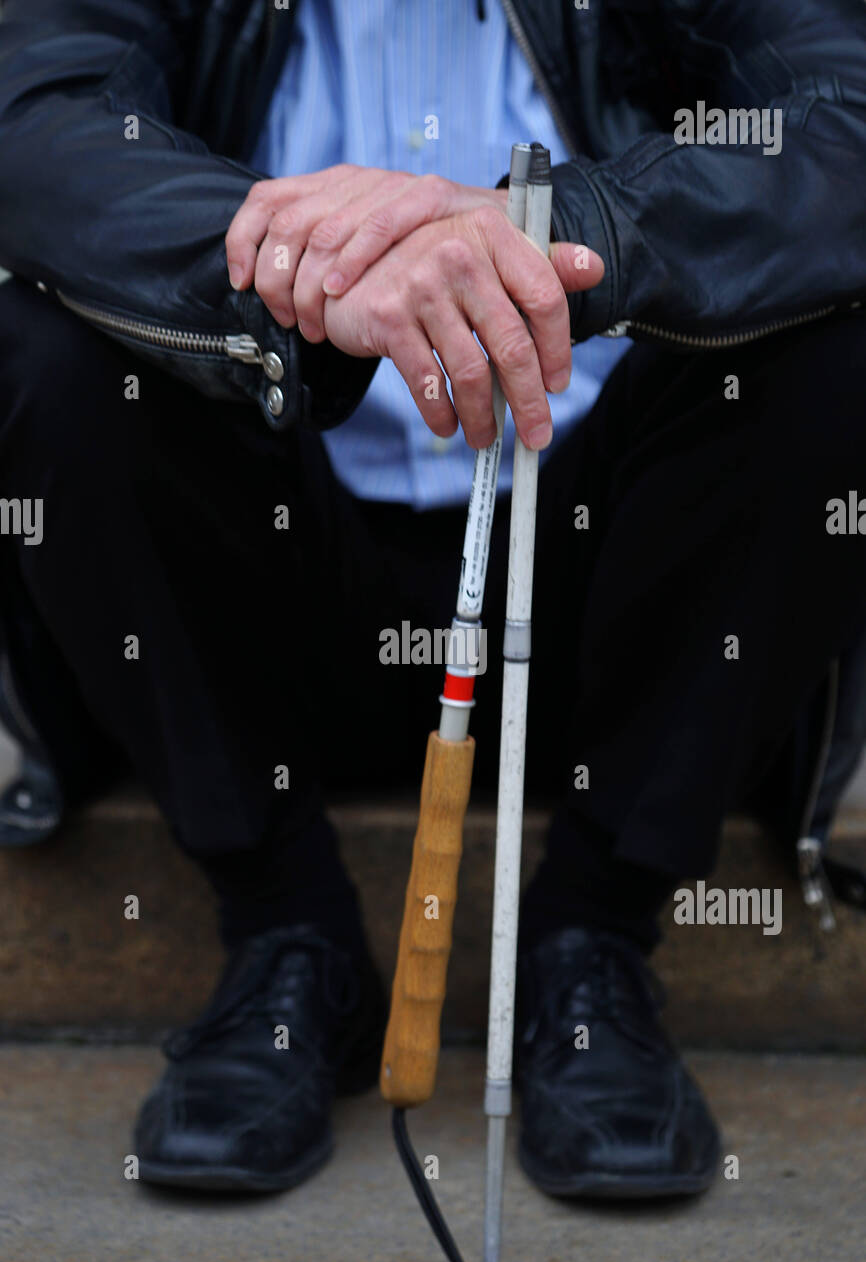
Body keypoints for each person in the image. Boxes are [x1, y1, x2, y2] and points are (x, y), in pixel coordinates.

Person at [1, 0, 865, 1200]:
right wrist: (277, 258)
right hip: (266, 584)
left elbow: (842, 119)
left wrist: (559, 230)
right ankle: (284, 929)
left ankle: (593, 934)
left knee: (835, 346)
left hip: (604, 596)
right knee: (41, 339)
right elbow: (33, 121)